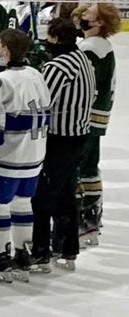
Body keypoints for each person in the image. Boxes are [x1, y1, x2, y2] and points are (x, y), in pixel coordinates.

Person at [0, 29, 50, 283]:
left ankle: (0, 256)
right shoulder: (36, 75)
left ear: (6, 49)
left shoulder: (2, 80)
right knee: (22, 204)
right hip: (35, 154)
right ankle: (22, 252)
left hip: (9, 157)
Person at [32, 19, 95, 271]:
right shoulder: (82, 58)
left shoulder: (59, 66)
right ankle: (68, 248)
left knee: (43, 196)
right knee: (66, 194)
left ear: (56, 39)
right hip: (79, 135)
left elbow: (41, 101)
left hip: (59, 139)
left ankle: (40, 252)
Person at [77, 2, 118, 244]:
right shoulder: (101, 46)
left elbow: (84, 85)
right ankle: (92, 217)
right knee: (90, 166)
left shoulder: (92, 48)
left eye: (88, 14)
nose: (83, 15)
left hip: (87, 116)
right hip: (96, 115)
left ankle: (86, 220)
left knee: (83, 168)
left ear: (99, 22)